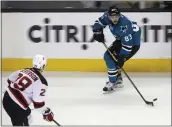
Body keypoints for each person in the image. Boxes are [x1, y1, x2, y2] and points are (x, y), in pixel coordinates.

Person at [92, 5, 141, 92]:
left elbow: (128, 45)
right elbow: (98, 22)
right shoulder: (106, 16)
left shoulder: (124, 25)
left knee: (111, 58)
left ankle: (113, 82)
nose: (115, 19)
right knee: (110, 57)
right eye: (112, 17)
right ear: (108, 15)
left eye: (117, 16)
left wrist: (122, 57)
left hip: (132, 44)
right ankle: (117, 80)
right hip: (121, 40)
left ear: (120, 15)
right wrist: (97, 32)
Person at [2, 54, 54, 126]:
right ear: (43, 66)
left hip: (6, 98)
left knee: (28, 118)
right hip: (16, 106)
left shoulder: (24, 70)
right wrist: (46, 112)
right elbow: (38, 104)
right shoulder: (42, 82)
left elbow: (9, 79)